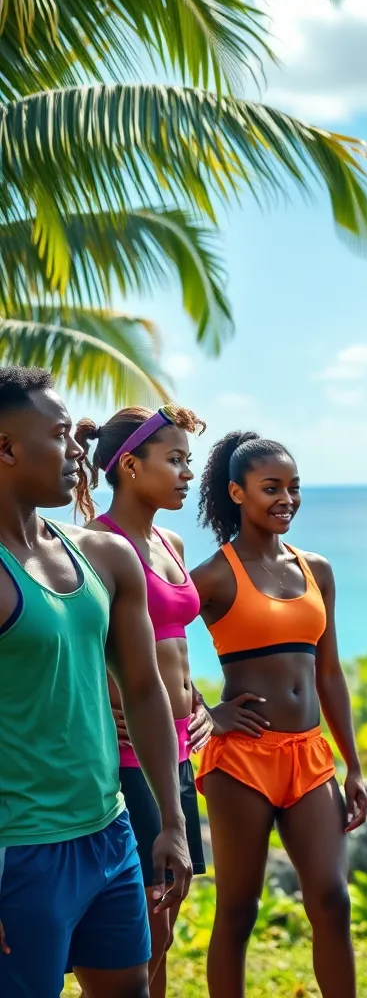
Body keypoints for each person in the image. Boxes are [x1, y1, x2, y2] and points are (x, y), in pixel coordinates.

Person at [0, 367, 192, 998]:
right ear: (6, 448)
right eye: (59, 436)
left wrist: (171, 820)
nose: (78, 452)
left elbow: (144, 691)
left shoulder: (104, 557)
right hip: (19, 851)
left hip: (109, 835)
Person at [192, 431, 367, 998]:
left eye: (293, 488)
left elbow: (331, 674)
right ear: (237, 493)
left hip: (310, 757)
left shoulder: (317, 568)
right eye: (271, 489)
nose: (286, 499)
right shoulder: (215, 575)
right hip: (241, 761)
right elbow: (145, 643)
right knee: (238, 910)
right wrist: (206, 711)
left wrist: (355, 765)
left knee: (332, 899)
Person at [73, 404, 214, 997]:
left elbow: (171, 643)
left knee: (169, 915)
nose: (186, 473)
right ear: (129, 464)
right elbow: (90, 645)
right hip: (127, 760)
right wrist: (108, 703)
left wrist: (202, 702)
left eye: (189, 460)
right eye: (174, 459)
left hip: (177, 750)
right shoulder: (97, 545)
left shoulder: (170, 539)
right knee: (140, 923)